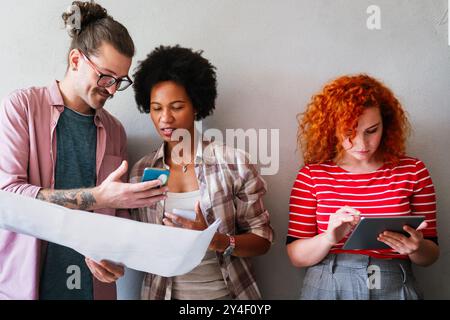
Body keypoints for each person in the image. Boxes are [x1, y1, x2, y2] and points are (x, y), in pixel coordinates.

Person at [0, 1, 166, 300]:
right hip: (26, 286)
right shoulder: (22, 107)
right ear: (76, 59)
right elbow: (7, 196)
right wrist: (98, 196)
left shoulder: (115, 130)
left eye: (120, 81)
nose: (113, 90)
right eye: (105, 77)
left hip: (94, 290)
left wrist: (116, 258)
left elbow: (118, 213)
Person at [130, 45, 274, 300]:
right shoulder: (142, 170)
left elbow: (262, 240)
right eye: (156, 108)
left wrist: (216, 241)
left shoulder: (234, 164)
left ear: (196, 106)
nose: (165, 118)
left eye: (176, 106)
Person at [286, 74, 439, 300]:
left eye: (371, 130)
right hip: (329, 282)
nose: (362, 144)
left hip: (395, 283)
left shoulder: (413, 171)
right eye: (349, 133)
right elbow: (296, 256)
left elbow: (431, 254)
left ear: (385, 125)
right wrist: (328, 238)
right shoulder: (312, 174)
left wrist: (416, 248)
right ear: (332, 128)